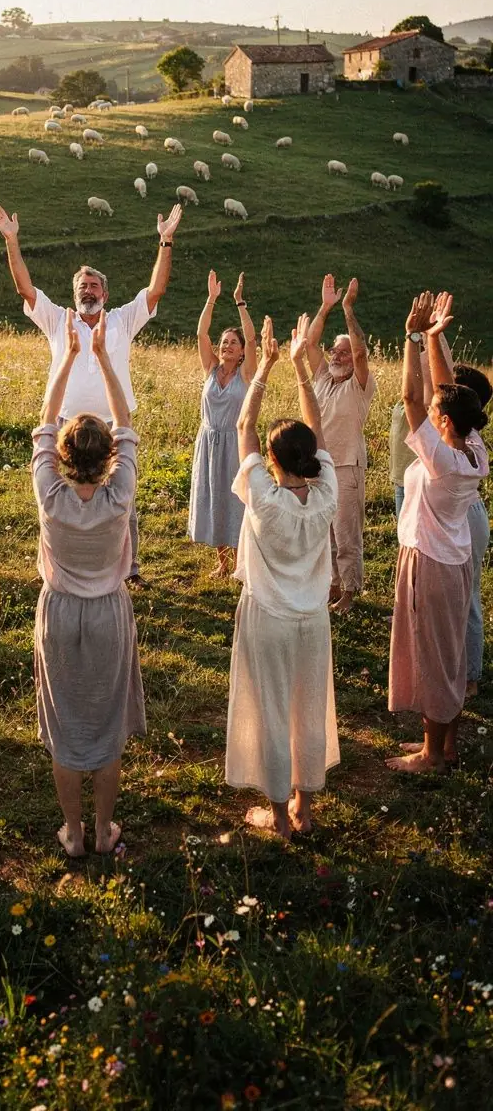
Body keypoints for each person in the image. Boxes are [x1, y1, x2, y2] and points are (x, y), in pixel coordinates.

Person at [0, 200, 183, 586]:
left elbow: (156, 290)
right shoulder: (58, 319)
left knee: (122, 494)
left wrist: (165, 242)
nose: (88, 290)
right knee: (54, 490)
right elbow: (25, 288)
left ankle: (128, 569)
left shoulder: (122, 320)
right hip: (64, 421)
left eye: (94, 285)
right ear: (74, 293)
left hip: (114, 423)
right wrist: (12, 240)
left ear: (105, 295)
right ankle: (53, 564)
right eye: (82, 286)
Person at [31, 308, 145, 857]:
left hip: (58, 612)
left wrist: (70, 356)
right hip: (107, 612)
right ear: (109, 459)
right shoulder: (120, 495)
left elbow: (45, 418)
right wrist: (101, 358)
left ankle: (73, 834)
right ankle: (103, 831)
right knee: (104, 724)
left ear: (61, 455)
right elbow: (124, 423)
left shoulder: (49, 494)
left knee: (65, 723)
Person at [225, 313, 340, 839]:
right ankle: (305, 809)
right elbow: (318, 434)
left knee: (271, 709)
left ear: (271, 458)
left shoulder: (265, 500)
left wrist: (265, 367)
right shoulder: (326, 494)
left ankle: (277, 816)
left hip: (268, 617)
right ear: (310, 458)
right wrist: (299, 369)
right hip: (313, 619)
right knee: (309, 709)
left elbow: (242, 428)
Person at [387, 292, 488, 773]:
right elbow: (449, 390)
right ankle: (445, 744)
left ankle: (431, 755)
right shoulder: (474, 448)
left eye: (436, 410)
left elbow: (412, 398)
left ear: (445, 422)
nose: (429, 409)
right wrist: (434, 338)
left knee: (432, 652)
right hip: (454, 559)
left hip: (429, 561)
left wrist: (411, 338)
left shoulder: (442, 459)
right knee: (448, 651)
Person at [306, 274, 377, 614]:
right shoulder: (323, 376)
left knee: (347, 533)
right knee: (325, 531)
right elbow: (310, 344)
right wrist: (325, 307)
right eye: (334, 349)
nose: (336, 354)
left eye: (343, 351)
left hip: (347, 465)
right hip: (318, 465)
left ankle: (349, 590)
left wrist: (347, 309)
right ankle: (332, 584)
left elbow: (360, 352)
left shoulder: (360, 384)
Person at [188, 270, 257, 575]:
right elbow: (201, 334)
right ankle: (223, 562)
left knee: (236, 500)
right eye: (224, 341)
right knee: (214, 496)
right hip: (208, 441)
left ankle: (242, 563)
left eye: (233, 342)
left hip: (234, 443)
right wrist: (211, 299)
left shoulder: (246, 374)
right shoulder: (211, 369)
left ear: (241, 352)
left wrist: (239, 302)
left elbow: (252, 338)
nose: (227, 345)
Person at [453, 364, 491, 698]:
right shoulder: (462, 434)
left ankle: (470, 677)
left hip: (467, 516)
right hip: (466, 515)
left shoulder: (467, 440)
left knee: (468, 598)